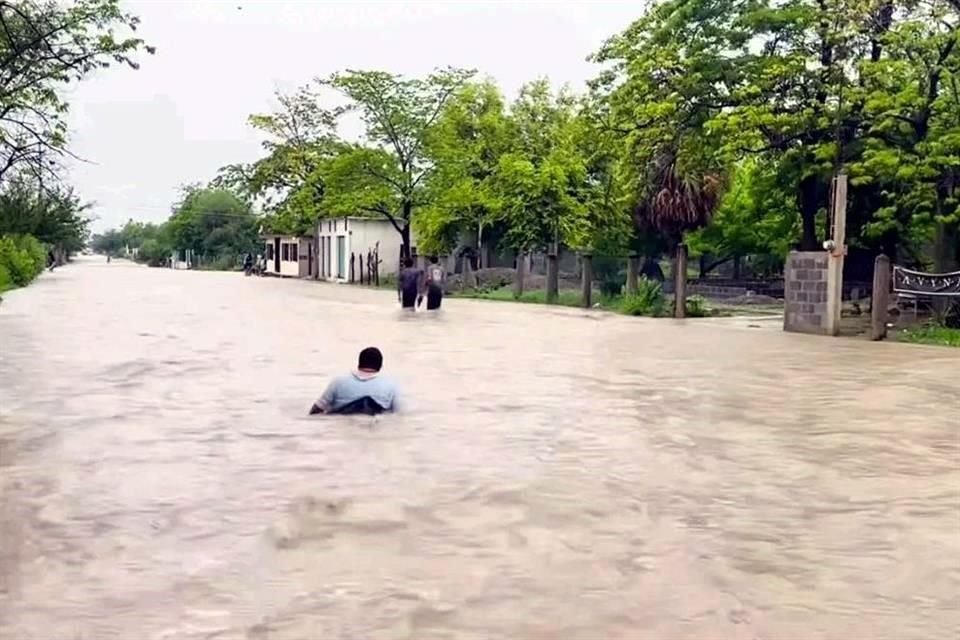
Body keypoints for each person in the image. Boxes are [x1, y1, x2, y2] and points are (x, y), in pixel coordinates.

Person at [309, 347, 403, 415]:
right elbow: (399, 415)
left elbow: (315, 410)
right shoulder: (390, 385)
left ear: (359, 363)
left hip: (341, 424)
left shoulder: (338, 381)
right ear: (380, 366)